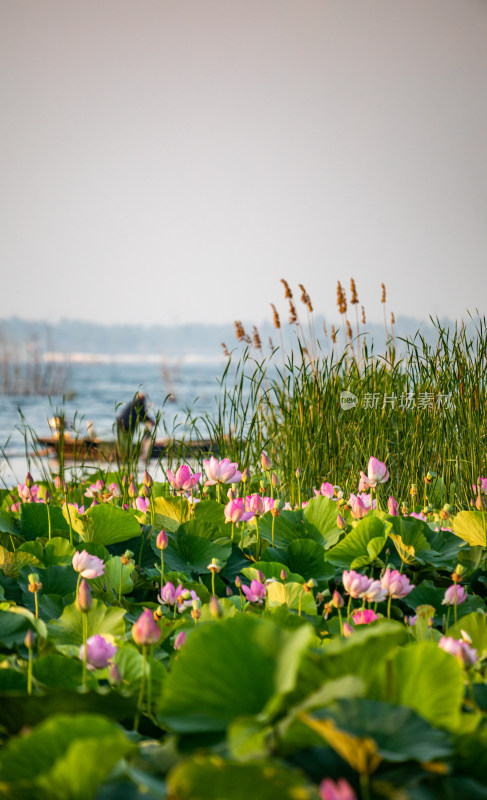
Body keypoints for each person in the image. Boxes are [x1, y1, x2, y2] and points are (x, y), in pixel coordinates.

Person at [116, 392, 156, 460]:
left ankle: (122, 455)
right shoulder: (139, 404)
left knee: (123, 441)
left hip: (120, 422)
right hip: (127, 424)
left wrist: (148, 420)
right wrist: (151, 421)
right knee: (127, 442)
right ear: (142, 399)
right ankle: (126, 455)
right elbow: (142, 415)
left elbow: (140, 416)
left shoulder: (133, 403)